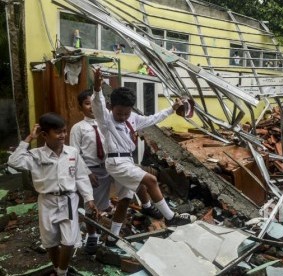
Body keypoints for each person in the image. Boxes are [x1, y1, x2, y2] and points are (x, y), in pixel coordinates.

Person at [91, 69, 196, 246]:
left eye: (126, 113)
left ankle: (112, 237)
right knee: (151, 179)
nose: (123, 117)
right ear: (112, 107)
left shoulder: (132, 118)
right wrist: (97, 87)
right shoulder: (106, 120)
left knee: (124, 201)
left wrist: (171, 109)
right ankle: (170, 217)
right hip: (116, 162)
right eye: (119, 113)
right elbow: (98, 104)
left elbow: (152, 119)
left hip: (127, 160)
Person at [70, 90, 164, 254]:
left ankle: (113, 235)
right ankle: (92, 236)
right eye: (87, 104)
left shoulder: (109, 121)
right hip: (95, 170)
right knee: (92, 205)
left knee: (126, 197)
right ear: (80, 108)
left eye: (93, 103)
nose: (91, 107)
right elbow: (74, 153)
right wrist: (86, 172)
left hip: (116, 165)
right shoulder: (78, 128)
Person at [8, 113, 98, 276]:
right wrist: (29, 138)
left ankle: (62, 273)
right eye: (58, 132)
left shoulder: (72, 153)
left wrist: (89, 199)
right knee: (50, 242)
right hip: (47, 201)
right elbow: (13, 161)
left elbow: (81, 177)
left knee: (69, 241)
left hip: (69, 200)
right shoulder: (35, 155)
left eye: (64, 131)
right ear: (44, 134)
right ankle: (59, 270)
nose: (63, 135)